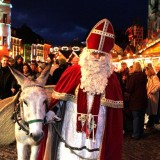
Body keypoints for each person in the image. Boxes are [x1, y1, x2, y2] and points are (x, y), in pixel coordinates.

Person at [38, 19, 123, 160]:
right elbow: (60, 99)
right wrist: (53, 111)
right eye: (94, 53)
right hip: (71, 126)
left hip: (99, 130)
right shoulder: (73, 71)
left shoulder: (112, 78)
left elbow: (115, 115)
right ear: (87, 52)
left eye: (101, 54)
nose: (97, 57)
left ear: (107, 57)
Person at [126, 62, 148, 139]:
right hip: (143, 99)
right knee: (141, 117)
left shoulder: (133, 77)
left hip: (135, 100)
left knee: (136, 117)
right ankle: (141, 133)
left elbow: (129, 88)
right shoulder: (144, 76)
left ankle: (136, 134)